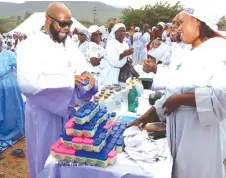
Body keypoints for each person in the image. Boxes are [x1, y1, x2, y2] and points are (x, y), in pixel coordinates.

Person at [129, 5, 226, 178]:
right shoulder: (188, 51)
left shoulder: (218, 50)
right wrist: (150, 113)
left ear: (197, 23)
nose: (178, 28)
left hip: (199, 133)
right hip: (180, 127)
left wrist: (180, 100)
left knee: (196, 171)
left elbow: (221, 94)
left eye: (182, 23)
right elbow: (173, 88)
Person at [16, 3, 97, 178]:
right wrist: (68, 80)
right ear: (47, 19)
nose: (66, 29)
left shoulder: (68, 43)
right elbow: (28, 83)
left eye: (69, 24)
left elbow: (79, 63)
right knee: (44, 159)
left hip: (67, 112)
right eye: (62, 24)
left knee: (66, 160)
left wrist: (85, 73)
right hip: (43, 116)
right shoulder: (30, 45)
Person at [0, 38, 25, 152]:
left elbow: (22, 67)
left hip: (9, 87)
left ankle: (13, 131)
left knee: (10, 110)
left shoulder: (8, 54)